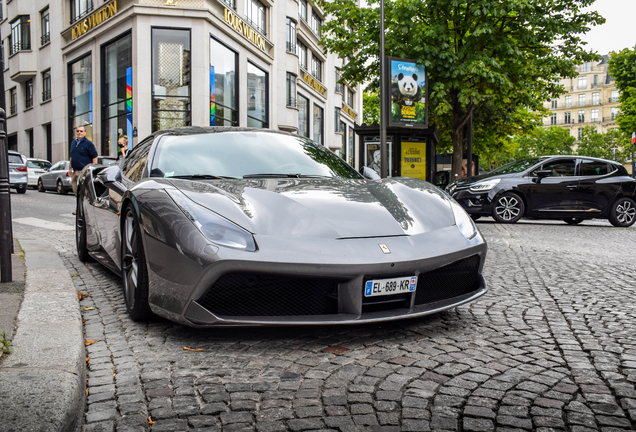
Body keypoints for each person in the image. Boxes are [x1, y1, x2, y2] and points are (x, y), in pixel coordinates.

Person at [67, 125, 97, 214]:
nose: (79, 132)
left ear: (85, 132)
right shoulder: (73, 143)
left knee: (82, 191)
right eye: (77, 131)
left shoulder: (88, 143)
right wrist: (69, 169)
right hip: (75, 171)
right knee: (76, 190)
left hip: (83, 171)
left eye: (81, 131)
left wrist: (93, 169)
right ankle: (80, 208)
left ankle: (82, 210)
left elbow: (94, 157)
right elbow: (71, 157)